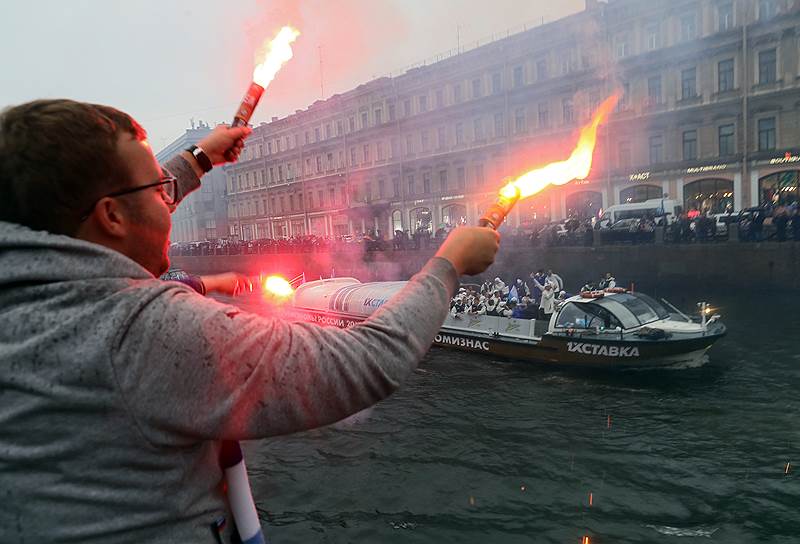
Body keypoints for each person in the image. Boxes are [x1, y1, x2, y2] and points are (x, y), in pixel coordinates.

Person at [0, 99, 500, 542]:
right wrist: (447, 264)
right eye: (158, 189)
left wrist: (201, 158)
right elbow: (369, 362)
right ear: (111, 217)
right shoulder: (139, 330)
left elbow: (120, 207)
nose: (168, 200)